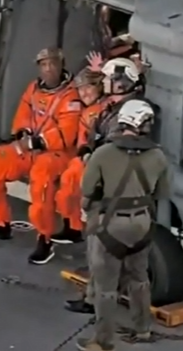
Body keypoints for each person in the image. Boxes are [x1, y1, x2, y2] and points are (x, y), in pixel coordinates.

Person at [0, 47, 81, 265]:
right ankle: (1, 224)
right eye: (44, 65)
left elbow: (67, 133)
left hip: (57, 153)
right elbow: (23, 115)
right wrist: (23, 133)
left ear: (61, 65)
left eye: (53, 64)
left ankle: (44, 240)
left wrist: (37, 142)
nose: (48, 69)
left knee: (41, 180)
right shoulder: (33, 89)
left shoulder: (71, 96)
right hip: (31, 147)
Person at [77, 99, 169, 351]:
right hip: (142, 224)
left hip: (111, 225)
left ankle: (103, 341)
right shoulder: (158, 156)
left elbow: (87, 189)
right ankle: (143, 329)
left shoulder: (103, 153)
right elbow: (162, 192)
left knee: (106, 287)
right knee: (139, 278)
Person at [65, 56, 145, 315]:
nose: (105, 83)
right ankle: (95, 297)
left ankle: (98, 302)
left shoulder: (127, 115)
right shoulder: (114, 108)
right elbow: (95, 135)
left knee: (103, 250)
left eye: (110, 79)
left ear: (121, 83)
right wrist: (86, 149)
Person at [53, 68, 109, 245]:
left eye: (88, 87)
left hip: (97, 160)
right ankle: (73, 227)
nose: (84, 93)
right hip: (84, 157)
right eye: (80, 89)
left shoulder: (100, 110)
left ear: (99, 86)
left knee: (72, 184)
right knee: (68, 186)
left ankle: (77, 230)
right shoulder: (88, 109)